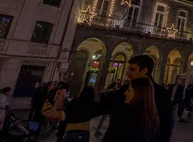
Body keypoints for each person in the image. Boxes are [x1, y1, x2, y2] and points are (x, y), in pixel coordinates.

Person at [44, 55, 172, 142]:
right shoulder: (124, 90)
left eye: (132, 69)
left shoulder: (160, 95)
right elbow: (98, 108)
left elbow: (165, 129)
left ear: (144, 70)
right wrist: (62, 115)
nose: (127, 73)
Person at [101, 77, 159, 141]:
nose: (125, 93)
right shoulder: (151, 119)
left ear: (138, 94)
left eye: (129, 90)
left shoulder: (125, 115)